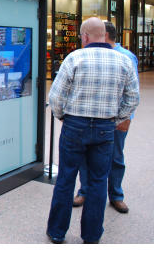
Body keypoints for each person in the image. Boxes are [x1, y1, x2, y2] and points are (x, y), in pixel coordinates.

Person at [46, 17, 139, 244]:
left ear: (85, 36)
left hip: (74, 126)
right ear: (105, 35)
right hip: (105, 128)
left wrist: (64, 117)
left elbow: (55, 98)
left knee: (66, 178)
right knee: (99, 181)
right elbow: (132, 99)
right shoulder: (124, 61)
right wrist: (115, 120)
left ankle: (57, 232)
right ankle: (91, 236)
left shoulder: (74, 58)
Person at [73, 22, 139, 213]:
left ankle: (116, 195)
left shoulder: (126, 57)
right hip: (89, 118)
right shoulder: (87, 55)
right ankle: (84, 191)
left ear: (105, 35)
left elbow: (131, 93)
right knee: (86, 157)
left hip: (115, 120)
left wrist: (125, 119)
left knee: (115, 157)